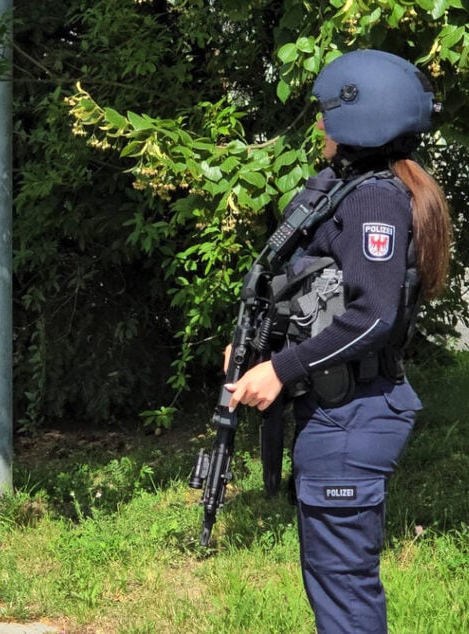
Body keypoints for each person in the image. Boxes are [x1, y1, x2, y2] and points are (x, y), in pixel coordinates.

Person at [225, 50, 451, 633]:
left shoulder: (376, 198)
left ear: (363, 117)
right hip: (338, 414)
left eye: (328, 113)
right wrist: (256, 352)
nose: (320, 124)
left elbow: (372, 315)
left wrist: (279, 370)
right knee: (332, 583)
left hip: (353, 417)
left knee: (344, 596)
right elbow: (312, 295)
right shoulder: (348, 187)